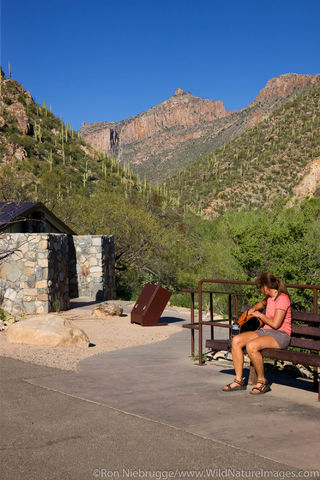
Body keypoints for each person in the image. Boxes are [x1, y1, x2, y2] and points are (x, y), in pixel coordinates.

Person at [223, 272, 291, 395]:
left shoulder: (283, 299)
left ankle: (262, 381)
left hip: (280, 335)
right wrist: (253, 309)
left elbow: (275, 324)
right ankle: (239, 381)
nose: (260, 290)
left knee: (251, 346)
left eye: (260, 287)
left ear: (266, 287)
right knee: (236, 340)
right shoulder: (269, 297)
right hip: (266, 331)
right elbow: (262, 303)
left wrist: (260, 315)